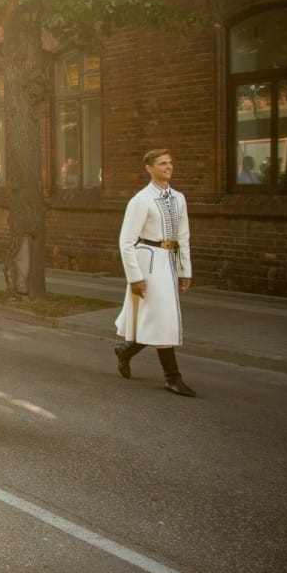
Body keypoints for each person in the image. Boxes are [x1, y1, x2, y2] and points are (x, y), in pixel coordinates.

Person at [113, 149, 196, 397]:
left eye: (170, 162)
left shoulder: (179, 198)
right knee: (163, 317)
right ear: (149, 168)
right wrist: (134, 277)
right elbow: (126, 241)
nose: (168, 167)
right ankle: (173, 377)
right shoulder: (141, 200)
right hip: (148, 263)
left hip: (169, 262)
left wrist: (185, 270)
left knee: (157, 318)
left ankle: (126, 351)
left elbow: (183, 237)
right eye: (162, 163)